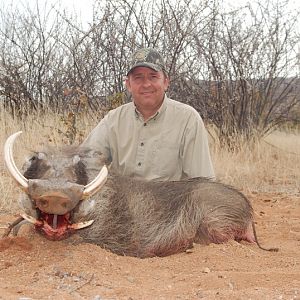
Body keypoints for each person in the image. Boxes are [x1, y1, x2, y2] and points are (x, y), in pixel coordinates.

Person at [81, 48, 215, 181]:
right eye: (138, 78)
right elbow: (85, 162)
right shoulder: (113, 119)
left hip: (171, 201)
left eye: (153, 77)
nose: (146, 84)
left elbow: (202, 181)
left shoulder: (188, 119)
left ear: (166, 82)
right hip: (122, 200)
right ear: (128, 84)